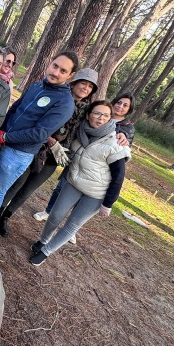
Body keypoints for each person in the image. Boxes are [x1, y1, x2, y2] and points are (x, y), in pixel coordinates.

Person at [0, 67, 99, 237]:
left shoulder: (87, 111)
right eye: (83, 83)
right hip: (36, 148)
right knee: (17, 183)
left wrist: (122, 133)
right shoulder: (60, 99)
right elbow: (40, 124)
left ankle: (6, 216)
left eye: (90, 86)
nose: (85, 88)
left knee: (28, 190)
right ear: (74, 82)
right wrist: (51, 141)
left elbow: (102, 121)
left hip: (55, 157)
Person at [29, 101, 131, 266]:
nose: (101, 118)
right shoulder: (79, 132)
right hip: (73, 183)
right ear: (88, 115)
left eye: (106, 115)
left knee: (72, 225)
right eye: (97, 113)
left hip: (96, 194)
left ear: (110, 119)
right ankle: (43, 240)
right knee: (55, 215)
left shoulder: (115, 143)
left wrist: (108, 203)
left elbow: (118, 177)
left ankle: (46, 252)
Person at [0, 51, 79, 221]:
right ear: (50, 63)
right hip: (0, 143)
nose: (56, 72)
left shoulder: (64, 103)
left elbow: (40, 133)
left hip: (18, 154)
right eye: (55, 66)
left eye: (63, 71)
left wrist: (5, 137)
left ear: (70, 75)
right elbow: (14, 110)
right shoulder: (37, 86)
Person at [32, 92, 136, 225]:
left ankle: (70, 224)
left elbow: (122, 149)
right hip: (78, 158)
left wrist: (121, 135)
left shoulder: (127, 128)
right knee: (61, 187)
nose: (120, 106)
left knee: (81, 198)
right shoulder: (99, 112)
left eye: (125, 105)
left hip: (95, 169)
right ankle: (48, 212)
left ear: (129, 109)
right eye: (119, 102)